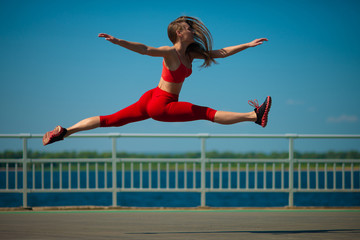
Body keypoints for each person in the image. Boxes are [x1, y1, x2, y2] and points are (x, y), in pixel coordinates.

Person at [43, 16, 271, 146]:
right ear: (179, 33)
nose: (193, 30)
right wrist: (118, 41)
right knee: (205, 113)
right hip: (161, 104)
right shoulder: (170, 53)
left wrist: (247, 45)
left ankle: (66, 131)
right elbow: (144, 49)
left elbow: (220, 52)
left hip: (151, 97)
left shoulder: (191, 54)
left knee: (109, 120)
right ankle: (254, 116)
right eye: (188, 28)